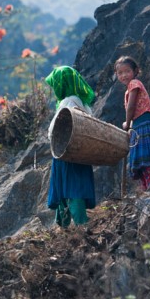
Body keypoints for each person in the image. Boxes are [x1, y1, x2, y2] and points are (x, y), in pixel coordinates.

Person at [44, 65, 97, 227]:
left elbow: (56, 129)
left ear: (62, 84)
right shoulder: (82, 102)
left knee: (69, 190)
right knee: (73, 187)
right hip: (78, 153)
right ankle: (64, 226)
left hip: (65, 154)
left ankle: (77, 225)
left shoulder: (68, 102)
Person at [115, 55, 150, 191]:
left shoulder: (134, 84)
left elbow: (131, 107)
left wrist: (127, 123)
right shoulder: (130, 87)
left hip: (143, 124)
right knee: (143, 160)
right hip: (140, 124)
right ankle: (148, 190)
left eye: (127, 71)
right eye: (120, 73)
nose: (124, 75)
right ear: (116, 75)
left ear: (135, 71)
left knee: (145, 159)